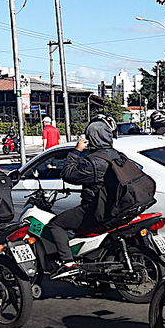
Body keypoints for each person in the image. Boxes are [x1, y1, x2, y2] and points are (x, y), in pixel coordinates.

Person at [47, 117, 120, 280]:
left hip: (95, 210)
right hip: (115, 208)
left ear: (91, 137)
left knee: (56, 224)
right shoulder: (117, 156)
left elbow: (68, 174)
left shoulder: (93, 162)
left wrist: (76, 151)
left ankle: (68, 263)